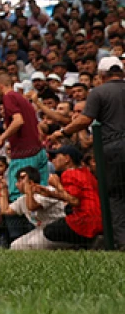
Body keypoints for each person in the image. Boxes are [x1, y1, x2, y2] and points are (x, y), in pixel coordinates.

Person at [50, 56, 125, 248]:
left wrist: (63, 132)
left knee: (115, 196)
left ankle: (122, 243)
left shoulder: (99, 92)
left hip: (113, 149)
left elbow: (85, 120)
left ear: (101, 75)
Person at [0, 73, 49, 203]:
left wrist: (1, 139)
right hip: (38, 151)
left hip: (24, 154)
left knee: (19, 197)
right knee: (41, 193)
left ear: (0, 87)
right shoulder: (23, 100)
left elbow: (18, 121)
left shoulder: (9, 97)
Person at [36, 145, 103, 248]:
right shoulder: (85, 172)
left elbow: (74, 201)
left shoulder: (68, 174)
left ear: (67, 159)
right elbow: (74, 197)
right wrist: (51, 194)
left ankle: (88, 243)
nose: (53, 160)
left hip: (86, 221)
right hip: (100, 219)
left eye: (56, 157)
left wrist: (57, 185)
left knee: (50, 230)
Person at [0, 167, 68, 250]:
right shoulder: (23, 199)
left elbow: (32, 207)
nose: (16, 184)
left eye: (20, 181)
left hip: (58, 230)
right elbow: (5, 210)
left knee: (34, 243)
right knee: (15, 246)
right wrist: (3, 189)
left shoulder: (47, 191)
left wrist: (28, 190)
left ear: (31, 182)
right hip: (42, 230)